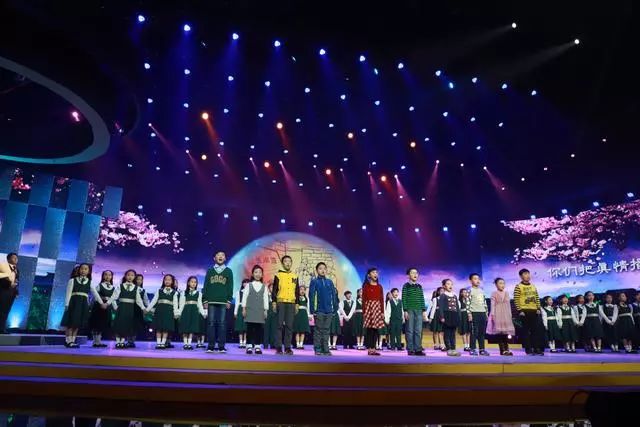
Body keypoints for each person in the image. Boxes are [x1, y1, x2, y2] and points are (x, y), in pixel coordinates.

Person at [203, 251, 234, 354]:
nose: (220, 256)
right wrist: (205, 299)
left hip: (223, 302)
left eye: (222, 255)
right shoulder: (210, 271)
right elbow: (206, 285)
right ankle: (211, 346)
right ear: (214, 258)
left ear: (225, 258)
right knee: (211, 323)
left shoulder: (228, 271)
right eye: (218, 255)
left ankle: (221, 346)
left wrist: (229, 300)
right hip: (211, 301)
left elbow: (230, 286)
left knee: (222, 324)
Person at [108, 269, 147, 349]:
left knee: (127, 325)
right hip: (122, 307)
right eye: (128, 275)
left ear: (134, 277)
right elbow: (114, 296)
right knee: (119, 324)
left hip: (130, 309)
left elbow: (139, 300)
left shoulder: (136, 288)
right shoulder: (120, 286)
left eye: (132, 275)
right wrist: (108, 303)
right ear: (125, 276)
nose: (130, 277)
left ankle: (122, 342)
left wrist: (143, 308)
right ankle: (118, 342)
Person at [309, 262, 340, 356]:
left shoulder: (329, 282)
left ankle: (325, 349)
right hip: (319, 310)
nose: (323, 270)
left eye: (324, 268)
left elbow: (334, 296)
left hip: (329, 310)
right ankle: (318, 349)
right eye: (320, 268)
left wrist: (335, 308)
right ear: (317, 270)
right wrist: (312, 310)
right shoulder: (314, 281)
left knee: (326, 330)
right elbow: (311, 295)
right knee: (318, 330)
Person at [271, 255, 300, 355]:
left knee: (289, 326)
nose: (288, 263)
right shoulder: (278, 275)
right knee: (279, 325)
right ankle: (278, 347)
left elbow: (297, 291)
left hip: (291, 303)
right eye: (285, 261)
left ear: (291, 263)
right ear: (282, 263)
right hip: (281, 302)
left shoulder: (295, 276)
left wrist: (297, 304)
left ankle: (288, 347)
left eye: (289, 261)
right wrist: (274, 302)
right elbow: (274, 290)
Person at [60, 263, 92, 348]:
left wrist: (103, 303)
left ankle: (73, 341)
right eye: (82, 269)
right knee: (71, 323)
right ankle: (68, 341)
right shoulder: (72, 280)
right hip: (74, 303)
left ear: (88, 271)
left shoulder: (89, 282)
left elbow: (94, 293)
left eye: (85, 269)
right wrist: (67, 304)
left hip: (83, 304)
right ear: (79, 270)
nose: (83, 270)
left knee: (77, 324)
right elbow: (68, 293)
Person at [513, 268, 544, 356]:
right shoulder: (518, 286)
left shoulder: (533, 286)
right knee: (526, 331)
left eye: (528, 274)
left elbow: (537, 297)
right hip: (524, 311)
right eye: (525, 274)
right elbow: (516, 299)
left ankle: (536, 348)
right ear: (521, 276)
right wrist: (520, 310)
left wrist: (538, 308)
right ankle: (528, 349)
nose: (527, 276)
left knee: (535, 331)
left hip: (534, 310)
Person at [241, 265, 270, 355]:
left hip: (260, 310)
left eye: (260, 272)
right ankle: (249, 346)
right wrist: (244, 308)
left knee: (258, 329)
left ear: (262, 275)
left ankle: (257, 346)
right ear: (253, 274)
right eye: (256, 272)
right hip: (250, 309)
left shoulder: (264, 287)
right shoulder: (248, 285)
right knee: (250, 328)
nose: (258, 274)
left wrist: (265, 310)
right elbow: (244, 297)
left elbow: (265, 299)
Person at [146, 274, 180, 349]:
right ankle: (158, 343)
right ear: (163, 281)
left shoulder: (175, 293)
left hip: (169, 312)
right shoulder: (159, 291)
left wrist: (176, 313)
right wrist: (147, 309)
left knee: (166, 329)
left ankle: (163, 343)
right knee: (159, 328)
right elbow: (154, 301)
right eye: (166, 279)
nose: (167, 281)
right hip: (160, 311)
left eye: (169, 280)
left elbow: (175, 304)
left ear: (172, 282)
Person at [401, 268, 427, 356]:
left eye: (416, 273)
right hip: (410, 310)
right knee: (409, 330)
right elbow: (404, 298)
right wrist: (405, 310)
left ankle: (418, 349)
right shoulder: (406, 286)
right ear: (408, 275)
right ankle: (410, 349)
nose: (415, 274)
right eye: (412, 273)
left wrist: (423, 311)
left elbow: (422, 299)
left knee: (418, 330)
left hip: (419, 310)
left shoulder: (419, 286)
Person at [486, 278, 515, 356]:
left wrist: (510, 314)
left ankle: (507, 349)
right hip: (497, 314)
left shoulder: (507, 293)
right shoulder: (494, 293)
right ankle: (502, 350)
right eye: (500, 283)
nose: (502, 285)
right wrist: (493, 315)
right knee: (499, 333)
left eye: (503, 283)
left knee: (505, 333)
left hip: (506, 314)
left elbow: (508, 305)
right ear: (496, 285)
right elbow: (492, 305)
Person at [178, 276, 206, 350]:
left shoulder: (199, 293)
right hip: (186, 311)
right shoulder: (183, 293)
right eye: (192, 282)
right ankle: (185, 344)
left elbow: (199, 304)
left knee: (191, 328)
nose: (193, 283)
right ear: (188, 283)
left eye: (195, 282)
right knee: (185, 327)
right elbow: (181, 304)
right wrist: (179, 313)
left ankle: (189, 344)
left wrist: (203, 313)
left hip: (194, 312)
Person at [88, 270, 115, 348]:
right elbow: (94, 296)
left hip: (107, 307)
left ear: (111, 277)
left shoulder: (113, 287)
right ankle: (95, 342)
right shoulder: (100, 286)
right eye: (106, 275)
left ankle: (99, 341)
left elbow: (113, 298)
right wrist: (91, 305)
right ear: (103, 276)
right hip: (99, 306)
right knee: (97, 324)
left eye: (109, 275)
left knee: (103, 324)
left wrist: (115, 307)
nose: (107, 276)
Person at [362, 268, 385, 356]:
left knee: (376, 329)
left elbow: (381, 299)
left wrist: (382, 312)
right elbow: (364, 300)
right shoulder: (366, 286)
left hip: (377, 308)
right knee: (369, 330)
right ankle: (370, 349)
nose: (375, 274)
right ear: (369, 275)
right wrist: (364, 312)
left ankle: (374, 348)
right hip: (369, 308)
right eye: (373, 272)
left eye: (376, 272)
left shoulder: (379, 286)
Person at [437, 279, 461, 356]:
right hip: (446, 315)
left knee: (453, 334)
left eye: (451, 284)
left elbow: (457, 308)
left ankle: (453, 349)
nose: (450, 285)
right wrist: (442, 317)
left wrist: (459, 317)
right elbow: (441, 307)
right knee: (447, 333)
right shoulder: (443, 295)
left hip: (454, 315)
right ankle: (449, 349)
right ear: (444, 286)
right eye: (448, 284)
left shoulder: (454, 296)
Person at [468, 273, 489, 356]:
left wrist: (486, 313)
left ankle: (482, 349)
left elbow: (484, 302)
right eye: (475, 278)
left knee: (481, 332)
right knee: (474, 332)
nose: (477, 280)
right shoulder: (469, 290)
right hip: (474, 313)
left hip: (482, 313)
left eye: (478, 279)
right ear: (471, 281)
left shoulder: (481, 291)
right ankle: (472, 349)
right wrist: (469, 314)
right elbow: (467, 303)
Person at [0, 253, 19, 334]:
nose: (16, 259)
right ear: (8, 259)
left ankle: (2, 328)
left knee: (6, 311)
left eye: (16, 258)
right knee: (1, 309)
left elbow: (17, 281)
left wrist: (16, 292)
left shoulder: (17, 270)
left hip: (11, 293)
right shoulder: (2, 266)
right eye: (13, 258)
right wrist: (9, 284)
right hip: (3, 290)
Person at [128, 274, 149, 348]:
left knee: (136, 326)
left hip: (138, 310)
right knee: (129, 325)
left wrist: (148, 309)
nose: (139, 281)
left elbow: (146, 301)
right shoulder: (130, 288)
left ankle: (132, 341)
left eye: (141, 280)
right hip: (130, 308)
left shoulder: (143, 290)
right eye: (138, 279)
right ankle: (128, 341)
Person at [293, 285, 310, 349]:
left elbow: (308, 308)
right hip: (297, 314)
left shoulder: (306, 299)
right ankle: (297, 344)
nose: (302, 291)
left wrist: (309, 315)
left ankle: (301, 344)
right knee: (297, 330)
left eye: (303, 290)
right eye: (301, 289)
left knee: (303, 331)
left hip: (304, 315)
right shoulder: (296, 298)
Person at [234, 279, 249, 349]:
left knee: (246, 327)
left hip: (248, 309)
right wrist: (235, 312)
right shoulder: (239, 292)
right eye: (244, 283)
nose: (246, 284)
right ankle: (240, 342)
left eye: (247, 283)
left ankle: (245, 342)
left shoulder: (250, 292)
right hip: (240, 309)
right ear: (242, 284)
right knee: (240, 327)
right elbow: (237, 303)